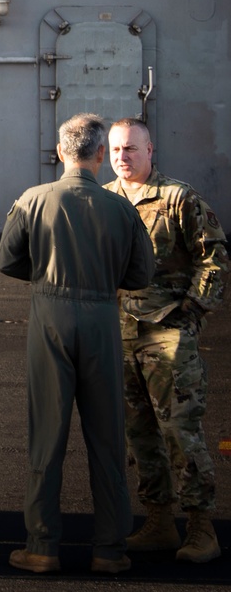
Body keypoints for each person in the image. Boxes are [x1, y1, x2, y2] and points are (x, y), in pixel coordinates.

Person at [0, 112, 155, 575]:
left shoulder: (33, 199)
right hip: (104, 318)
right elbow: (141, 274)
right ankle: (110, 549)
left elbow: (7, 260)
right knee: (108, 437)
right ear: (101, 155)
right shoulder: (121, 208)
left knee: (47, 435)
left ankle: (42, 545)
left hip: (50, 317)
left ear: (60, 152)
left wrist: (47, 275)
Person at [106, 117, 228, 564]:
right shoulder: (103, 201)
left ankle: (201, 529)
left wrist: (192, 315)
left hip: (167, 335)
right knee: (138, 436)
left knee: (181, 431)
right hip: (119, 335)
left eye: (132, 149)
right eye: (117, 150)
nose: (123, 157)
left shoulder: (178, 197)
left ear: (151, 150)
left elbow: (214, 260)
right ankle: (158, 522)